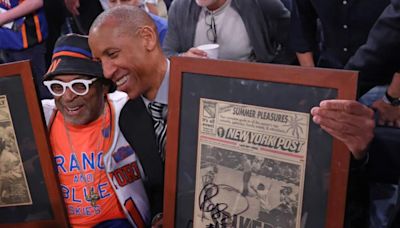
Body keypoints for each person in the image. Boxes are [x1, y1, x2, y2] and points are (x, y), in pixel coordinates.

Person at [42, 33, 151, 227]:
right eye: (57, 86)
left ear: (103, 86)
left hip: (117, 221)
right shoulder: (40, 116)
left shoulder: (127, 110)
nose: (67, 97)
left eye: (79, 86)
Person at [88, 6, 166, 224]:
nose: (106, 72)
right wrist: (161, 214)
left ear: (147, 38)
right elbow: (159, 186)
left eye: (112, 54)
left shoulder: (203, 92)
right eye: (100, 62)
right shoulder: (128, 118)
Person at [162, 0, 295, 63]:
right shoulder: (180, 7)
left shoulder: (260, 4)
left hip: (253, 90)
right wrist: (183, 59)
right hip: (201, 90)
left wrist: (270, 73)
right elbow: (167, 54)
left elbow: (295, 38)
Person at [290, 0, 389, 69]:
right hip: (330, 73)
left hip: (380, 79)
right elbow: (301, 29)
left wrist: (391, 95)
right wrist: (312, 78)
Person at [0, 0, 51, 99]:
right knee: (15, 96)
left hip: (27, 42)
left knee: (39, 95)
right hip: (5, 43)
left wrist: (2, 18)